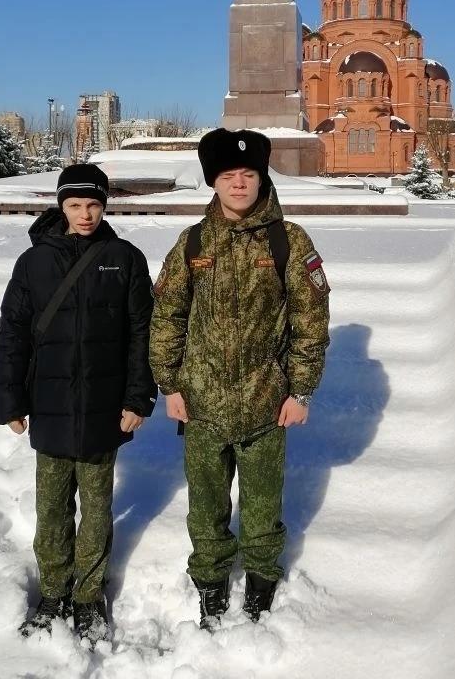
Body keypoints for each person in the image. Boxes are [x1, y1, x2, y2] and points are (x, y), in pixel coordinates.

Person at [149, 129, 330, 629]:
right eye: (228, 176)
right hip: (202, 405)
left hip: (265, 403)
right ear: (213, 181)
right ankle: (209, 583)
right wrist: (170, 385)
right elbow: (167, 316)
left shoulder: (288, 240)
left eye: (247, 175)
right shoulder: (192, 243)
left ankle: (260, 582)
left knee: (262, 505)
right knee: (205, 506)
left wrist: (300, 390)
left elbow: (310, 321)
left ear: (260, 179)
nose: (238, 184)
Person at [0, 163, 156, 648]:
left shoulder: (124, 258)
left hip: (106, 407)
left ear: (105, 206)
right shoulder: (34, 263)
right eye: (75, 205)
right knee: (52, 509)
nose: (85, 215)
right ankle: (53, 592)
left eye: (94, 205)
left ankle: (88, 596)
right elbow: (13, 335)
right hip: (49, 404)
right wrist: (10, 400)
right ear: (60, 206)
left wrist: (137, 398)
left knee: (98, 507)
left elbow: (141, 335)